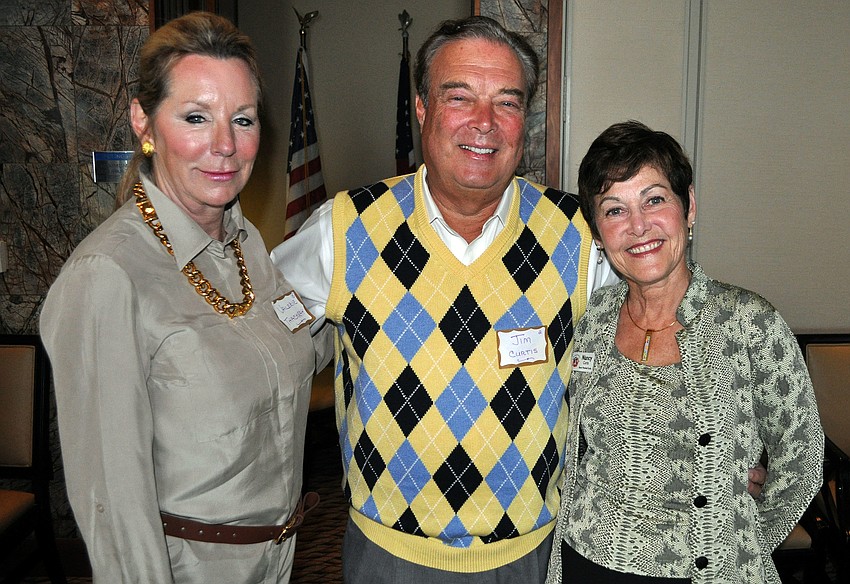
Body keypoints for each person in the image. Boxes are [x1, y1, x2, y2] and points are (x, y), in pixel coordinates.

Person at [272, 16, 618, 583]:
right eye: (460, 97)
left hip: (531, 557)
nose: (484, 123)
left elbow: (650, 345)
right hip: (388, 558)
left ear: (524, 123)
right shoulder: (346, 230)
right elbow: (254, 344)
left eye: (506, 103)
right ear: (423, 109)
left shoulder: (576, 236)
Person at [40, 13, 329, 583]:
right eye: (196, 117)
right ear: (144, 122)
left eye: (241, 120)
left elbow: (291, 354)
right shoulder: (109, 276)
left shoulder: (245, 246)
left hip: (277, 564)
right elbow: (112, 505)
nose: (224, 146)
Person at [545, 121, 824, 584]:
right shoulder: (590, 320)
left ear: (689, 207)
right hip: (583, 562)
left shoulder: (749, 322)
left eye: (654, 200)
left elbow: (802, 460)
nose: (638, 227)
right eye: (614, 210)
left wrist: (738, 542)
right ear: (597, 232)